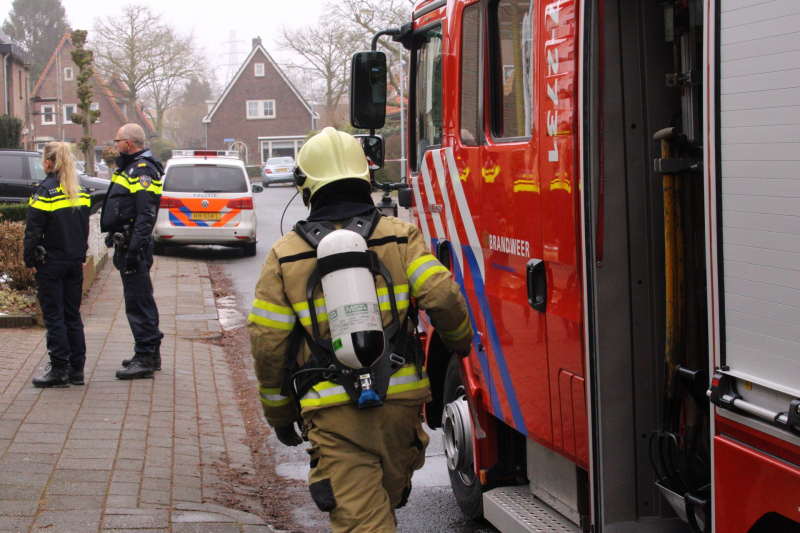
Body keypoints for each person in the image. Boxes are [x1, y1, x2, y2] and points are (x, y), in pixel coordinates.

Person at [247, 127, 472, 532]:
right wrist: (460, 342)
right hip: (400, 404)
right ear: (366, 177)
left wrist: (280, 414)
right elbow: (441, 296)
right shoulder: (400, 237)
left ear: (306, 186)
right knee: (381, 506)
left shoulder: (285, 256)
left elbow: (268, 343)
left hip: (333, 414)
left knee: (365, 521)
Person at [24, 142, 91, 388]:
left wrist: (29, 260)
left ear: (49, 162)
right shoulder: (79, 190)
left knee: (54, 317)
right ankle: (77, 370)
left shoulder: (44, 191)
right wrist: (81, 256)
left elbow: (33, 230)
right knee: (72, 315)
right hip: (74, 262)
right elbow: (83, 227)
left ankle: (59, 370)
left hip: (51, 263)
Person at [101, 123, 164, 380]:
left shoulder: (142, 169)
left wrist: (135, 248)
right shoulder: (131, 167)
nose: (114, 145)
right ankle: (150, 352)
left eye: (117, 141)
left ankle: (145, 357)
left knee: (138, 303)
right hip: (128, 242)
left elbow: (145, 214)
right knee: (141, 300)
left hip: (133, 246)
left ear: (128, 143)